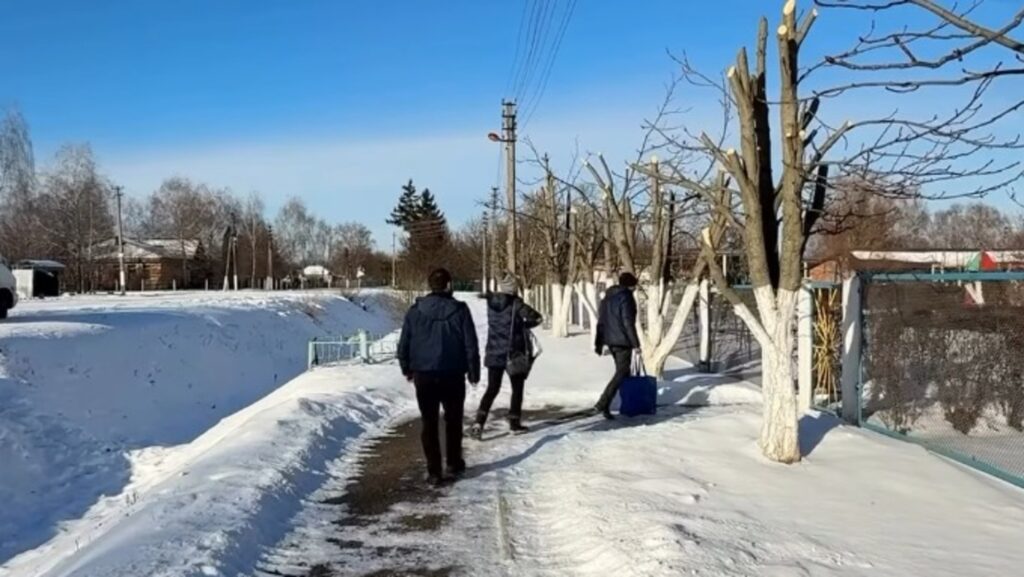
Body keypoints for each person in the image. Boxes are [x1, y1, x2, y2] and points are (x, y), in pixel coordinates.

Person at [397, 268, 481, 486]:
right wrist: (473, 372)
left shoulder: (415, 311)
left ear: (430, 285)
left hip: (424, 374)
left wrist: (407, 368)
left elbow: (404, 343)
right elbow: (470, 343)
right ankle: (453, 462)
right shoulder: (460, 310)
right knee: (453, 420)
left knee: (429, 421)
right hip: (453, 373)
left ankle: (434, 471)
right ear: (449, 285)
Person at [470, 274, 543, 439]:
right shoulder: (517, 304)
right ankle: (514, 423)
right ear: (513, 288)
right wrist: (523, 326)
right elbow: (537, 317)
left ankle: (478, 424)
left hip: (494, 352)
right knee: (517, 389)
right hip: (513, 352)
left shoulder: (491, 304)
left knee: (492, 389)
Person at [593, 272, 641, 420]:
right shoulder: (626, 297)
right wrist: (636, 344)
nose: (635, 289)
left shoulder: (607, 298)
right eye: (634, 286)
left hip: (611, 340)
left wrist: (598, 343)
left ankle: (622, 406)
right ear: (631, 285)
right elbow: (628, 322)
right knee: (621, 372)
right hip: (622, 341)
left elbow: (601, 321)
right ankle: (602, 402)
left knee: (623, 374)